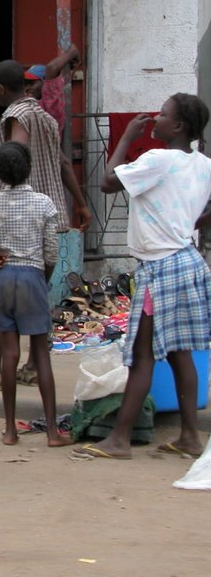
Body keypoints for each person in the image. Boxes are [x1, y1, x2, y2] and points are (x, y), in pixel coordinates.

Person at [73, 94, 211, 460]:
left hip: (161, 267)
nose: (155, 119)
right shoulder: (203, 165)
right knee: (181, 354)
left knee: (141, 353)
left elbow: (106, 181)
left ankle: (119, 439)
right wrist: (190, 224)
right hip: (187, 260)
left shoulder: (157, 159)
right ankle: (189, 437)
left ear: (179, 126)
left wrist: (126, 139)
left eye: (163, 114)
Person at [0, 59, 92, 393]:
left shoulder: (16, 116)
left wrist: (0, 197)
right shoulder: (44, 117)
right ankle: (31, 367)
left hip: (19, 217)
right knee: (38, 299)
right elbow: (61, 162)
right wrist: (81, 203)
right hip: (49, 215)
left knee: (2, 301)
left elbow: (16, 153)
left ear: (0, 89)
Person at [0, 142, 72, 448]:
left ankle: (9, 429)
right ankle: (50, 433)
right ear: (29, 167)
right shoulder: (45, 204)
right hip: (32, 278)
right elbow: (51, 254)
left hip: (3, 278)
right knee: (40, 355)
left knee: (10, 355)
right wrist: (42, 282)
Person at [23, 44, 79, 133]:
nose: (27, 88)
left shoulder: (50, 102)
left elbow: (51, 68)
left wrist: (71, 52)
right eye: (26, 84)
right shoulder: (30, 101)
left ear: (45, 83)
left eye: (32, 83)